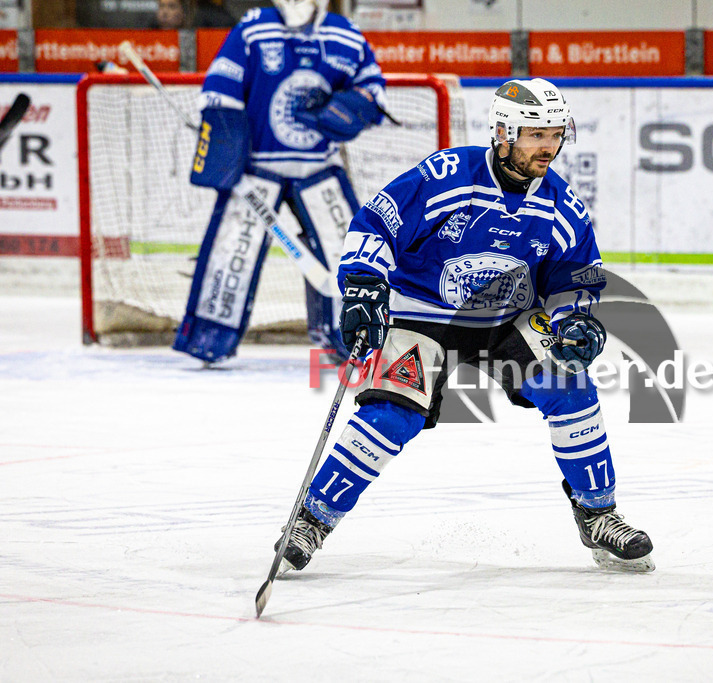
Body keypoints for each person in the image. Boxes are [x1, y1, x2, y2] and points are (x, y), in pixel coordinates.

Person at [276, 78, 655, 573]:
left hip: (504, 318)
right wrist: (365, 283)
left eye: (555, 134)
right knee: (391, 416)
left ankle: (598, 514)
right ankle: (311, 520)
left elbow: (575, 276)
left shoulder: (561, 203)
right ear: (503, 133)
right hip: (422, 313)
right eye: (535, 135)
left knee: (570, 384)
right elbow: (376, 224)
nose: (548, 147)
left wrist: (576, 321)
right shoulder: (447, 176)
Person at [173, 0, 387, 363]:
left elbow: (375, 92)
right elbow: (220, 88)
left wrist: (352, 107)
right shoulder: (255, 28)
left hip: (319, 167)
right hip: (256, 168)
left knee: (348, 250)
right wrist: (225, 144)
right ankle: (209, 338)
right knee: (232, 254)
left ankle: (349, 336)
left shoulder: (346, 35)